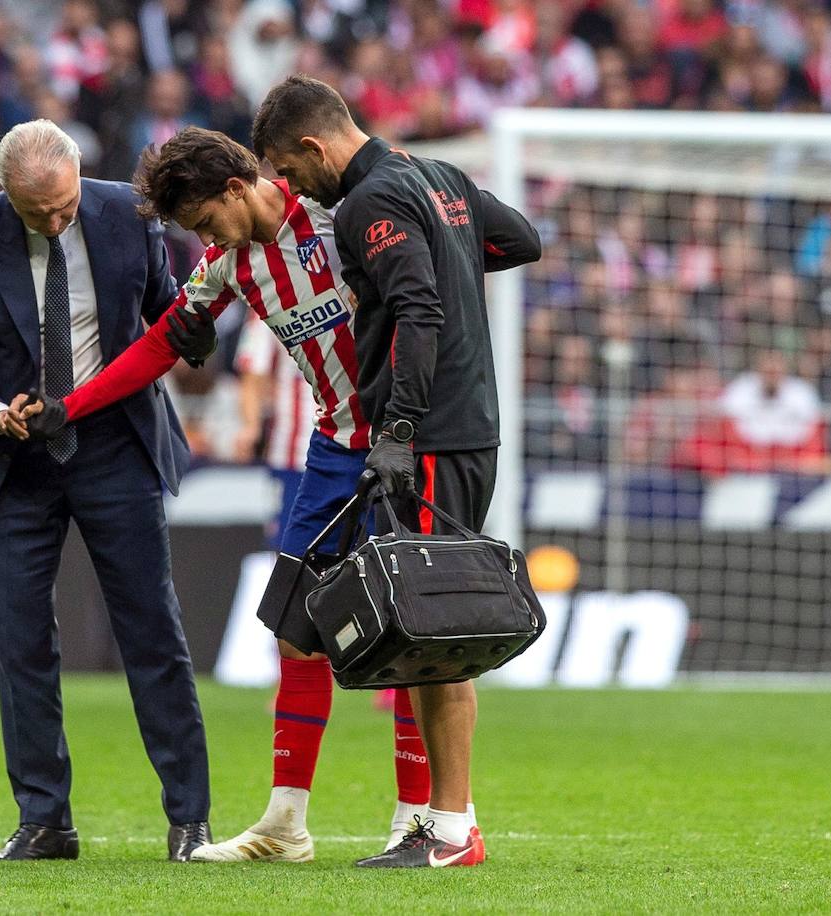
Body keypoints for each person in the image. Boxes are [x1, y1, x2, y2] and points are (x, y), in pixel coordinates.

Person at [7, 126, 434, 861]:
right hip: (334, 448)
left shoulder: (339, 218)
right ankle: (287, 821)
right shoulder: (227, 265)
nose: (206, 239)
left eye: (205, 221)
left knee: (412, 636)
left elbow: (435, 286)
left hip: (407, 443)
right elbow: (158, 346)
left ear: (237, 188)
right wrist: (68, 407)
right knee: (295, 629)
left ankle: (419, 820)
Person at [252, 75, 541, 868]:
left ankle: (448, 831)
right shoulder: (437, 177)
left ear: (313, 146)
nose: (289, 186)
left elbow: (417, 311)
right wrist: (447, 251)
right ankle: (449, 824)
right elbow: (520, 240)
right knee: (433, 624)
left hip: (432, 434)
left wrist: (399, 431)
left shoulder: (366, 204)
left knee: (435, 629)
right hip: (473, 427)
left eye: (288, 166)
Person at [0, 119, 210, 863]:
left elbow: (164, 308)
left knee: (153, 633)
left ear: (81, 176)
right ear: (4, 193)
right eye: (36, 213)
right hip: (9, 463)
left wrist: (198, 328)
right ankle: (45, 821)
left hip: (114, 445)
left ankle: (191, 822)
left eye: (65, 206)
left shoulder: (128, 212)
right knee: (22, 646)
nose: (55, 222)